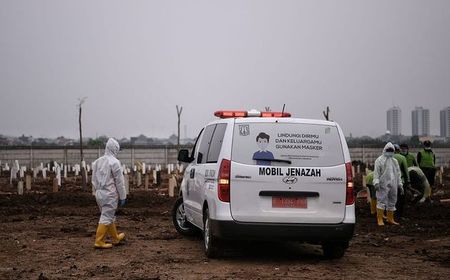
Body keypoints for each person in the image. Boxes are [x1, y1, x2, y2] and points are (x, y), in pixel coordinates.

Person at [92, 138, 127, 249]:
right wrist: (123, 196)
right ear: (115, 149)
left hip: (99, 193)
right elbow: (119, 182)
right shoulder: (115, 162)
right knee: (106, 217)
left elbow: (93, 179)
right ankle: (99, 241)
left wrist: (95, 192)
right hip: (109, 194)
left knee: (109, 216)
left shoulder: (97, 161)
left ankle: (115, 237)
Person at [373, 142, 403, 226]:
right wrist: (376, 182)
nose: (390, 152)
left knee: (392, 201)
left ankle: (390, 219)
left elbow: (398, 173)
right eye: (388, 150)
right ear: (384, 150)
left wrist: (400, 184)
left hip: (393, 183)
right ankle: (380, 219)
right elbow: (376, 173)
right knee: (381, 200)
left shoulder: (394, 161)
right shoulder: (379, 160)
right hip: (382, 184)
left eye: (391, 150)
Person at [393, 144, 410, 218]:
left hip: (389, 182)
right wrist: (408, 181)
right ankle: (399, 215)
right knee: (401, 199)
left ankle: (390, 215)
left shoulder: (386, 158)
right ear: (398, 150)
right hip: (401, 181)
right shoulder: (402, 157)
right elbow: (406, 171)